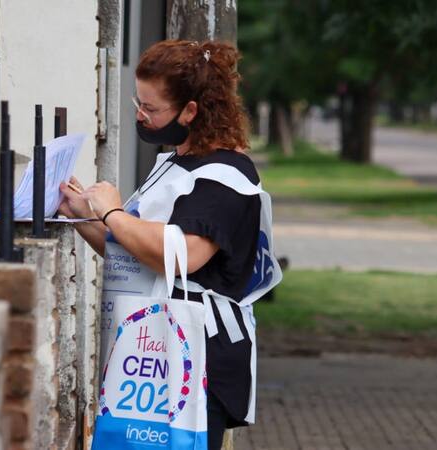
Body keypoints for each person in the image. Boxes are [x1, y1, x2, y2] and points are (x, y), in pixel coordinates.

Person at [59, 39, 279, 450]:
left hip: (198, 357)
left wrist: (112, 213)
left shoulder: (226, 174)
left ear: (191, 111)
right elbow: (137, 255)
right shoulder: (176, 162)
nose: (140, 116)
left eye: (151, 108)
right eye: (137, 103)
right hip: (154, 352)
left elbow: (185, 255)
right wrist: (79, 214)